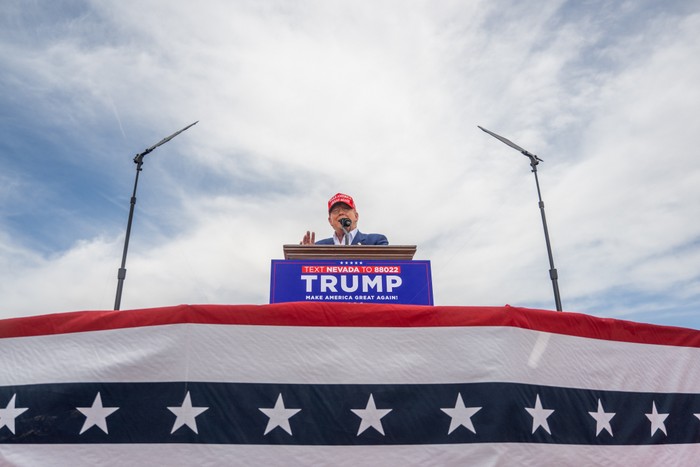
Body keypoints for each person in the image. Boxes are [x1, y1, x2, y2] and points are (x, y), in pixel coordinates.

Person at [301, 193, 389, 245]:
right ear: (330, 221)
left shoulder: (375, 241)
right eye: (336, 211)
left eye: (346, 209)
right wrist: (305, 256)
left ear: (356, 216)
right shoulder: (318, 247)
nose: (341, 213)